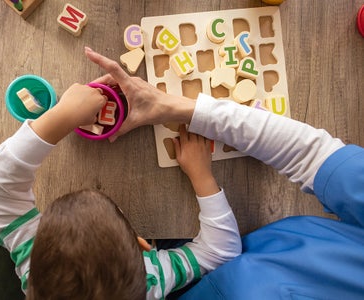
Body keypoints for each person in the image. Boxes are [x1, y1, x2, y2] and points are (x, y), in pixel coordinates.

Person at [84, 47, 364, 299]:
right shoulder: (151, 277)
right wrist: (173, 107)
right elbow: (313, 154)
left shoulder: (150, 279)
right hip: (214, 256)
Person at [0, 80, 241, 298]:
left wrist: (63, 114)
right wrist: (202, 175)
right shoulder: (150, 281)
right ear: (143, 246)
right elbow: (222, 250)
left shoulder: (38, 269)